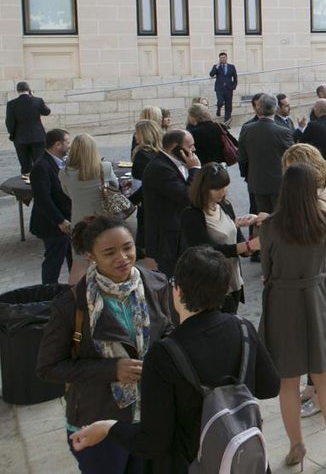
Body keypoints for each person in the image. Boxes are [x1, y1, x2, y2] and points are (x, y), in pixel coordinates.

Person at [67, 246, 279, 471]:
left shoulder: (163, 355)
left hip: (192, 464)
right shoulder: (243, 329)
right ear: (226, 289)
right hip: (240, 460)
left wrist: (108, 428)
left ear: (178, 290)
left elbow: (153, 443)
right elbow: (270, 387)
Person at [37, 215, 174, 474]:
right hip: (96, 419)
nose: (122, 257)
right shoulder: (71, 305)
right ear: (91, 256)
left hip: (150, 414)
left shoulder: (155, 283)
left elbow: (167, 329)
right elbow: (48, 367)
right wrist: (111, 370)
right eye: (109, 252)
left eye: (127, 247)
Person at [260, 163, 326, 468]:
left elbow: (266, 271)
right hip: (318, 298)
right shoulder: (325, 221)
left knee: (288, 381)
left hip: (283, 301)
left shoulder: (270, 225)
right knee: (324, 377)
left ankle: (297, 445)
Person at [180, 162, 255, 313]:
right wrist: (246, 246)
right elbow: (205, 250)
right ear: (203, 188)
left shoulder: (225, 205)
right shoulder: (192, 214)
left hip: (233, 279)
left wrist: (250, 247)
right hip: (212, 282)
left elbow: (236, 236)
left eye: (225, 186)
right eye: (217, 188)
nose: (223, 191)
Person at [143, 128, 202, 276]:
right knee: (174, 279)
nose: (193, 150)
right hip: (168, 239)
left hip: (178, 234)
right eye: (189, 146)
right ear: (175, 147)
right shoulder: (160, 168)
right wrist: (194, 169)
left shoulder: (173, 163)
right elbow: (186, 196)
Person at [237, 93, 294, 213]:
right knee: (279, 220)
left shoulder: (247, 129)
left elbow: (242, 157)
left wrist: (247, 175)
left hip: (256, 182)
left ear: (259, 108)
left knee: (261, 220)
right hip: (279, 184)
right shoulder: (283, 132)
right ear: (275, 108)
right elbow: (293, 158)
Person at [30, 128, 73, 284]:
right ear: (57, 145)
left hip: (66, 220)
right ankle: (48, 293)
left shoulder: (61, 162)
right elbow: (43, 199)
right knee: (53, 261)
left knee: (72, 257)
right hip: (52, 224)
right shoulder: (41, 166)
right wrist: (60, 221)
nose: (69, 145)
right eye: (67, 142)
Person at [60, 132, 118, 226]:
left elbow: (67, 192)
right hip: (103, 219)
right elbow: (115, 186)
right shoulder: (105, 167)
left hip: (79, 220)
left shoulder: (64, 173)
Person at [129, 120, 162, 264]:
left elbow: (146, 184)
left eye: (137, 133)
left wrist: (130, 201)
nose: (135, 136)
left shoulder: (142, 155)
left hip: (148, 202)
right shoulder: (159, 152)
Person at [6, 80, 50, 174]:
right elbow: (47, 112)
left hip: (20, 138)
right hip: (38, 137)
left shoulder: (11, 104)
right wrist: (34, 97)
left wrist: (12, 135)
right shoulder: (38, 100)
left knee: (25, 166)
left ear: (17, 90)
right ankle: (40, 184)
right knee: (40, 164)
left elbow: (10, 122)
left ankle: (26, 185)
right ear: (29, 89)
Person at [296, 98, 326, 171]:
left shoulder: (313, 125)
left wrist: (301, 128)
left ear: (318, 109)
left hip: (319, 163)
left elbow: (302, 142)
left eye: (315, 107)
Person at [208, 52, 238, 123]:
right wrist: (217, 67)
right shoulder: (216, 66)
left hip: (228, 89)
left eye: (224, 57)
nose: (222, 59)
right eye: (221, 58)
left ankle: (227, 122)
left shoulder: (231, 66)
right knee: (220, 102)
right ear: (219, 59)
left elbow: (235, 77)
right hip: (219, 89)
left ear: (226, 58)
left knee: (228, 106)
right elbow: (211, 74)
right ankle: (218, 109)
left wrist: (233, 87)